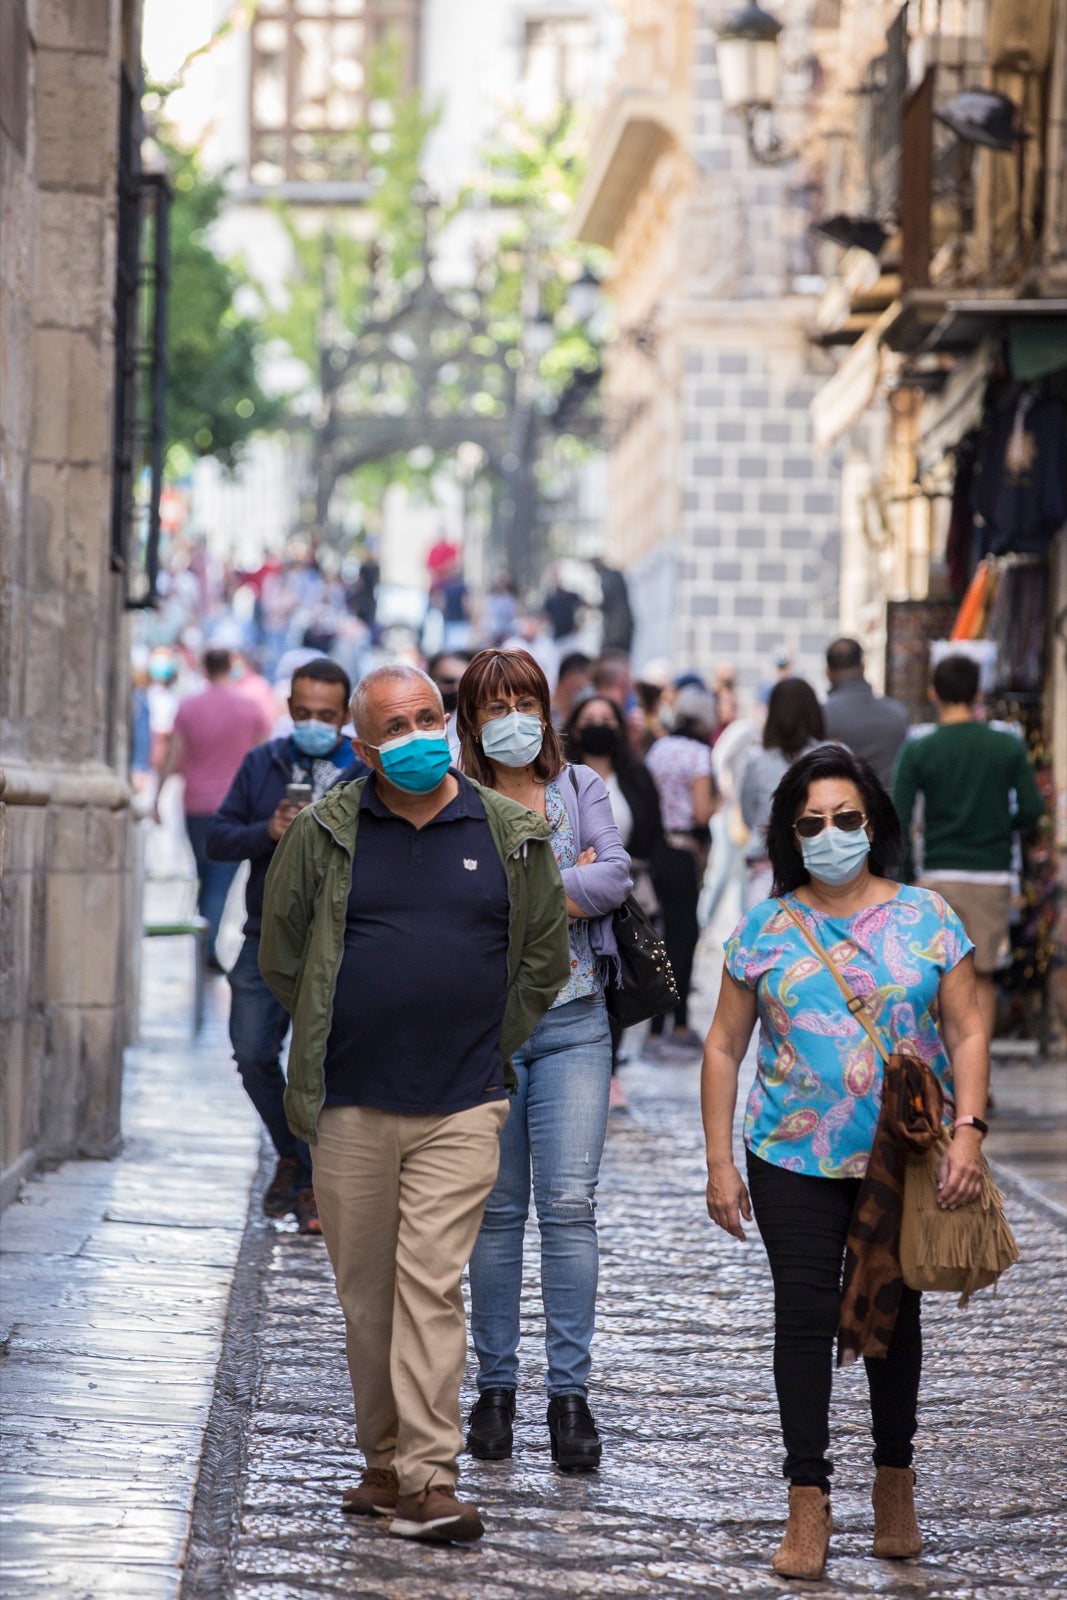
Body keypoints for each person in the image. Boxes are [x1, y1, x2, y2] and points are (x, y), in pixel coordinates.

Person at [259, 663, 569, 1542]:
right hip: (352, 1101)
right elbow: (282, 956)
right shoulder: (324, 832)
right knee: (367, 1297)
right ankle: (383, 1464)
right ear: (363, 748)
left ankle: (430, 1479)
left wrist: (481, 1038)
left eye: (428, 718)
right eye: (394, 727)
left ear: (450, 725)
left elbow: (541, 961)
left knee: (430, 1284)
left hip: (463, 1101)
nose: (416, 737)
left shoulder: (509, 832)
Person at [702, 743, 989, 1580]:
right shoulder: (764, 927)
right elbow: (722, 1047)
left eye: (846, 818)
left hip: (900, 1155)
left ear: (873, 822)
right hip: (789, 1152)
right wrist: (719, 1164)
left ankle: (893, 1480)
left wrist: (966, 1129)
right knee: (803, 1311)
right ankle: (807, 1499)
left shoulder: (928, 917)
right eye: (811, 823)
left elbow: (967, 1026)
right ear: (790, 835)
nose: (830, 834)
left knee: (892, 1317)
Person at [458, 649, 632, 1472]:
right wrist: (569, 881)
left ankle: (570, 1398)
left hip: (575, 1023)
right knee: (493, 1216)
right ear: (472, 720)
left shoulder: (578, 790)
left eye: (524, 700)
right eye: (496, 705)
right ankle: (494, 1392)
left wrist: (528, 891)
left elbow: (618, 878)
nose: (514, 717)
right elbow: (457, 903)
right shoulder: (453, 800)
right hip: (482, 1031)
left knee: (567, 1207)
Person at [207, 658, 365, 1234]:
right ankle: (293, 1153)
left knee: (326, 1065)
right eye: (304, 713)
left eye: (327, 715)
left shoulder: (366, 769)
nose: (315, 723)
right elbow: (219, 839)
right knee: (252, 1052)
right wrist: (266, 832)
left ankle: (317, 1181)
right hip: (264, 935)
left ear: (347, 715)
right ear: (289, 708)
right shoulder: (264, 762)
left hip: (344, 941)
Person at [892, 653, 1044, 1046]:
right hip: (991, 874)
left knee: (937, 977)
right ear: (978, 692)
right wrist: (998, 827)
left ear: (932, 693)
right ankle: (979, 1074)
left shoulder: (919, 750)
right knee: (982, 976)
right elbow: (1031, 809)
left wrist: (909, 872)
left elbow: (901, 816)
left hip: (938, 875)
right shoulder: (1005, 747)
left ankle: (942, 1074)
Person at [564, 693, 668, 1107]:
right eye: (590, 718)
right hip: (572, 887)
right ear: (574, 727)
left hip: (629, 889)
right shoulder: (563, 777)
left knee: (620, 974)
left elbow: (651, 830)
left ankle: (611, 1067)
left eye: (607, 718)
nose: (599, 724)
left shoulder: (636, 776)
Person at [153, 648, 270, 970]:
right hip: (236, 807)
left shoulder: (189, 707)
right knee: (219, 881)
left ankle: (205, 938)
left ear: (204, 668)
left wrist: (156, 799)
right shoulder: (250, 708)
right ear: (230, 667)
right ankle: (207, 946)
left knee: (206, 876)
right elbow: (264, 757)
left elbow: (172, 755)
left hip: (195, 806)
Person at [644, 685, 716, 1050]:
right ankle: (681, 1022)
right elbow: (702, 811)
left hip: (656, 851)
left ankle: (655, 1025)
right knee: (684, 939)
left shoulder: (658, 749)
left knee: (659, 937)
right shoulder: (700, 755)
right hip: (684, 851)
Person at [740, 676, 826, 910]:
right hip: (825, 876)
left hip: (767, 875)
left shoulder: (756, 760)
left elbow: (749, 814)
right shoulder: (834, 756)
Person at [823, 637, 908, 789]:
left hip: (842, 810)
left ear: (828, 673)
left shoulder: (821, 717)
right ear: (863, 667)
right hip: (888, 808)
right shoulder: (898, 714)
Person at [426, 649, 473, 760]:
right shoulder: (415, 723)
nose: (457, 688)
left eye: (463, 682)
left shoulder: (475, 722)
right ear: (430, 682)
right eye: (449, 681)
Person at [551, 650, 593, 730]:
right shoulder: (543, 708)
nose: (588, 685)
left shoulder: (578, 714)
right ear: (571, 677)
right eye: (589, 678)